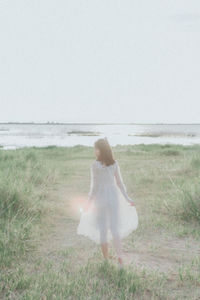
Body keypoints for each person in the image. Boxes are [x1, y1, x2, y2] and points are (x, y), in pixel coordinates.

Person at [77, 137, 138, 269]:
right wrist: (127, 198)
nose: (94, 151)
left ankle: (106, 260)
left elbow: (93, 188)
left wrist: (88, 203)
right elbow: (120, 184)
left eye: (96, 149)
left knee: (103, 231)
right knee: (115, 229)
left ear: (100, 150)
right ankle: (120, 258)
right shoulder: (114, 164)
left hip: (100, 199)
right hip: (113, 198)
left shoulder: (94, 166)